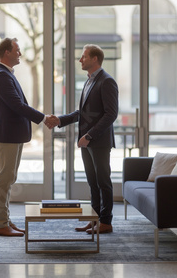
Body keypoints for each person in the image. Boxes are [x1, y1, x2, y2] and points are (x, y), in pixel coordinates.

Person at [0, 37, 57, 236]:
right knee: (5, 178)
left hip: (12, 135)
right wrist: (44, 118)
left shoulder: (6, 74)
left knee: (9, 178)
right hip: (6, 135)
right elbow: (17, 106)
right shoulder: (2, 76)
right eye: (17, 50)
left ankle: (5, 220)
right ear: (7, 52)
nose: (20, 53)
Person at [49, 44, 118, 234]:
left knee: (103, 182)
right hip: (86, 142)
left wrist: (89, 135)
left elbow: (111, 114)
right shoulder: (89, 81)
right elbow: (82, 113)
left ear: (95, 59)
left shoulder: (107, 81)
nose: (80, 60)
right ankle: (94, 220)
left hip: (99, 142)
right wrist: (60, 120)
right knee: (92, 183)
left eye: (84, 57)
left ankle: (106, 222)